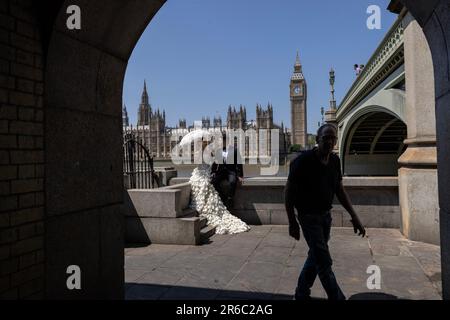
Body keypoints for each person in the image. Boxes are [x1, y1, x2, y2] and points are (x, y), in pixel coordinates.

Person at [284, 123, 366, 300]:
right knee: (324, 261)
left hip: (325, 216)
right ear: (317, 140)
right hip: (308, 217)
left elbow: (339, 190)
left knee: (315, 256)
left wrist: (354, 216)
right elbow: (288, 193)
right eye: (325, 138)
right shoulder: (302, 161)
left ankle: (301, 293)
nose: (329, 141)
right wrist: (292, 222)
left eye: (332, 138)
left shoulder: (335, 161)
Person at [211, 144, 244, 210]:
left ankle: (230, 198)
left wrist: (240, 175)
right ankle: (223, 196)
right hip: (221, 172)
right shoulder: (219, 150)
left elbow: (239, 162)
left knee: (232, 182)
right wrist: (213, 171)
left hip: (231, 171)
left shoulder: (234, 150)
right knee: (213, 182)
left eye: (225, 140)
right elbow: (215, 162)